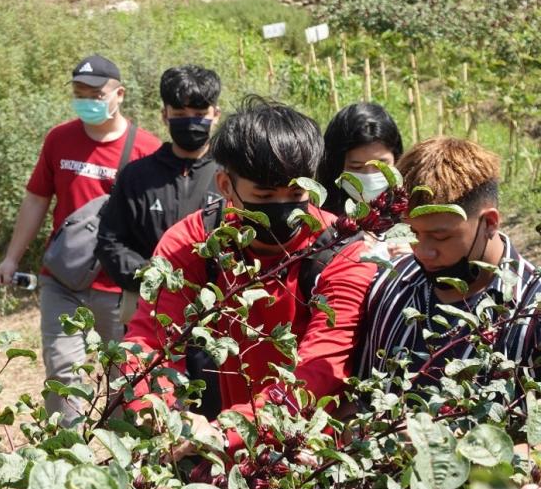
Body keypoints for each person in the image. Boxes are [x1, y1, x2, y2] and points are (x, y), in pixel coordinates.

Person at [122, 96, 377, 455]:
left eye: (296, 193)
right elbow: (149, 342)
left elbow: (320, 367)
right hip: (206, 438)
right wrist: (165, 412)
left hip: (307, 448)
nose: (282, 208)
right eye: (264, 194)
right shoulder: (193, 242)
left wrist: (230, 432)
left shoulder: (340, 250)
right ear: (226, 186)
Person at [0, 54, 161, 424]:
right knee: (61, 371)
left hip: (118, 287)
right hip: (63, 279)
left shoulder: (146, 150)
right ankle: (67, 452)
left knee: (124, 378)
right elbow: (37, 198)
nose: (87, 99)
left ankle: (124, 463)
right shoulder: (59, 139)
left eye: (96, 93)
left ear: (120, 94)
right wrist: (11, 258)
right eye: (79, 91)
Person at [356, 137, 541, 387]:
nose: (423, 252)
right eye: (413, 234)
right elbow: (360, 396)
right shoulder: (389, 285)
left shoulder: (531, 313)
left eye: (440, 237)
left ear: (490, 223)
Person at [96, 65, 222, 325]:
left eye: (199, 113)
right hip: (149, 311)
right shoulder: (136, 176)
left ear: (216, 114)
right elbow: (110, 242)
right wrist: (149, 274)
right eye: (180, 113)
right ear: (165, 115)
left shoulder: (231, 177)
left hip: (218, 313)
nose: (190, 121)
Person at [317, 103, 405, 260]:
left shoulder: (411, 217)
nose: (370, 176)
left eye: (381, 166)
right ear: (335, 167)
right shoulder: (320, 223)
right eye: (356, 167)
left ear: (396, 160)